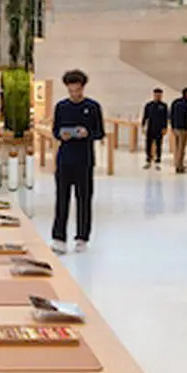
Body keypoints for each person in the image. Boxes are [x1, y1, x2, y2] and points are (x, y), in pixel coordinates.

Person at [50, 69, 104, 254]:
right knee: (61, 198)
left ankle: (82, 237)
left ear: (83, 88)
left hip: (84, 159)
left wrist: (87, 133)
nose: (74, 94)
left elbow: (100, 132)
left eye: (77, 90)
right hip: (64, 159)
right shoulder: (61, 107)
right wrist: (61, 135)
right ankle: (59, 237)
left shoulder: (93, 107)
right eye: (71, 90)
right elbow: (55, 130)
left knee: (84, 199)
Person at [142, 88, 169, 169]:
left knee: (159, 144)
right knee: (148, 144)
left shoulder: (164, 106)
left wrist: (165, 128)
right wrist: (143, 126)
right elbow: (145, 117)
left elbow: (165, 118)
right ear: (154, 95)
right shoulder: (149, 105)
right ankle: (148, 158)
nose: (158, 97)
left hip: (159, 128)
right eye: (156, 95)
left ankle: (158, 159)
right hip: (150, 127)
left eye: (159, 95)